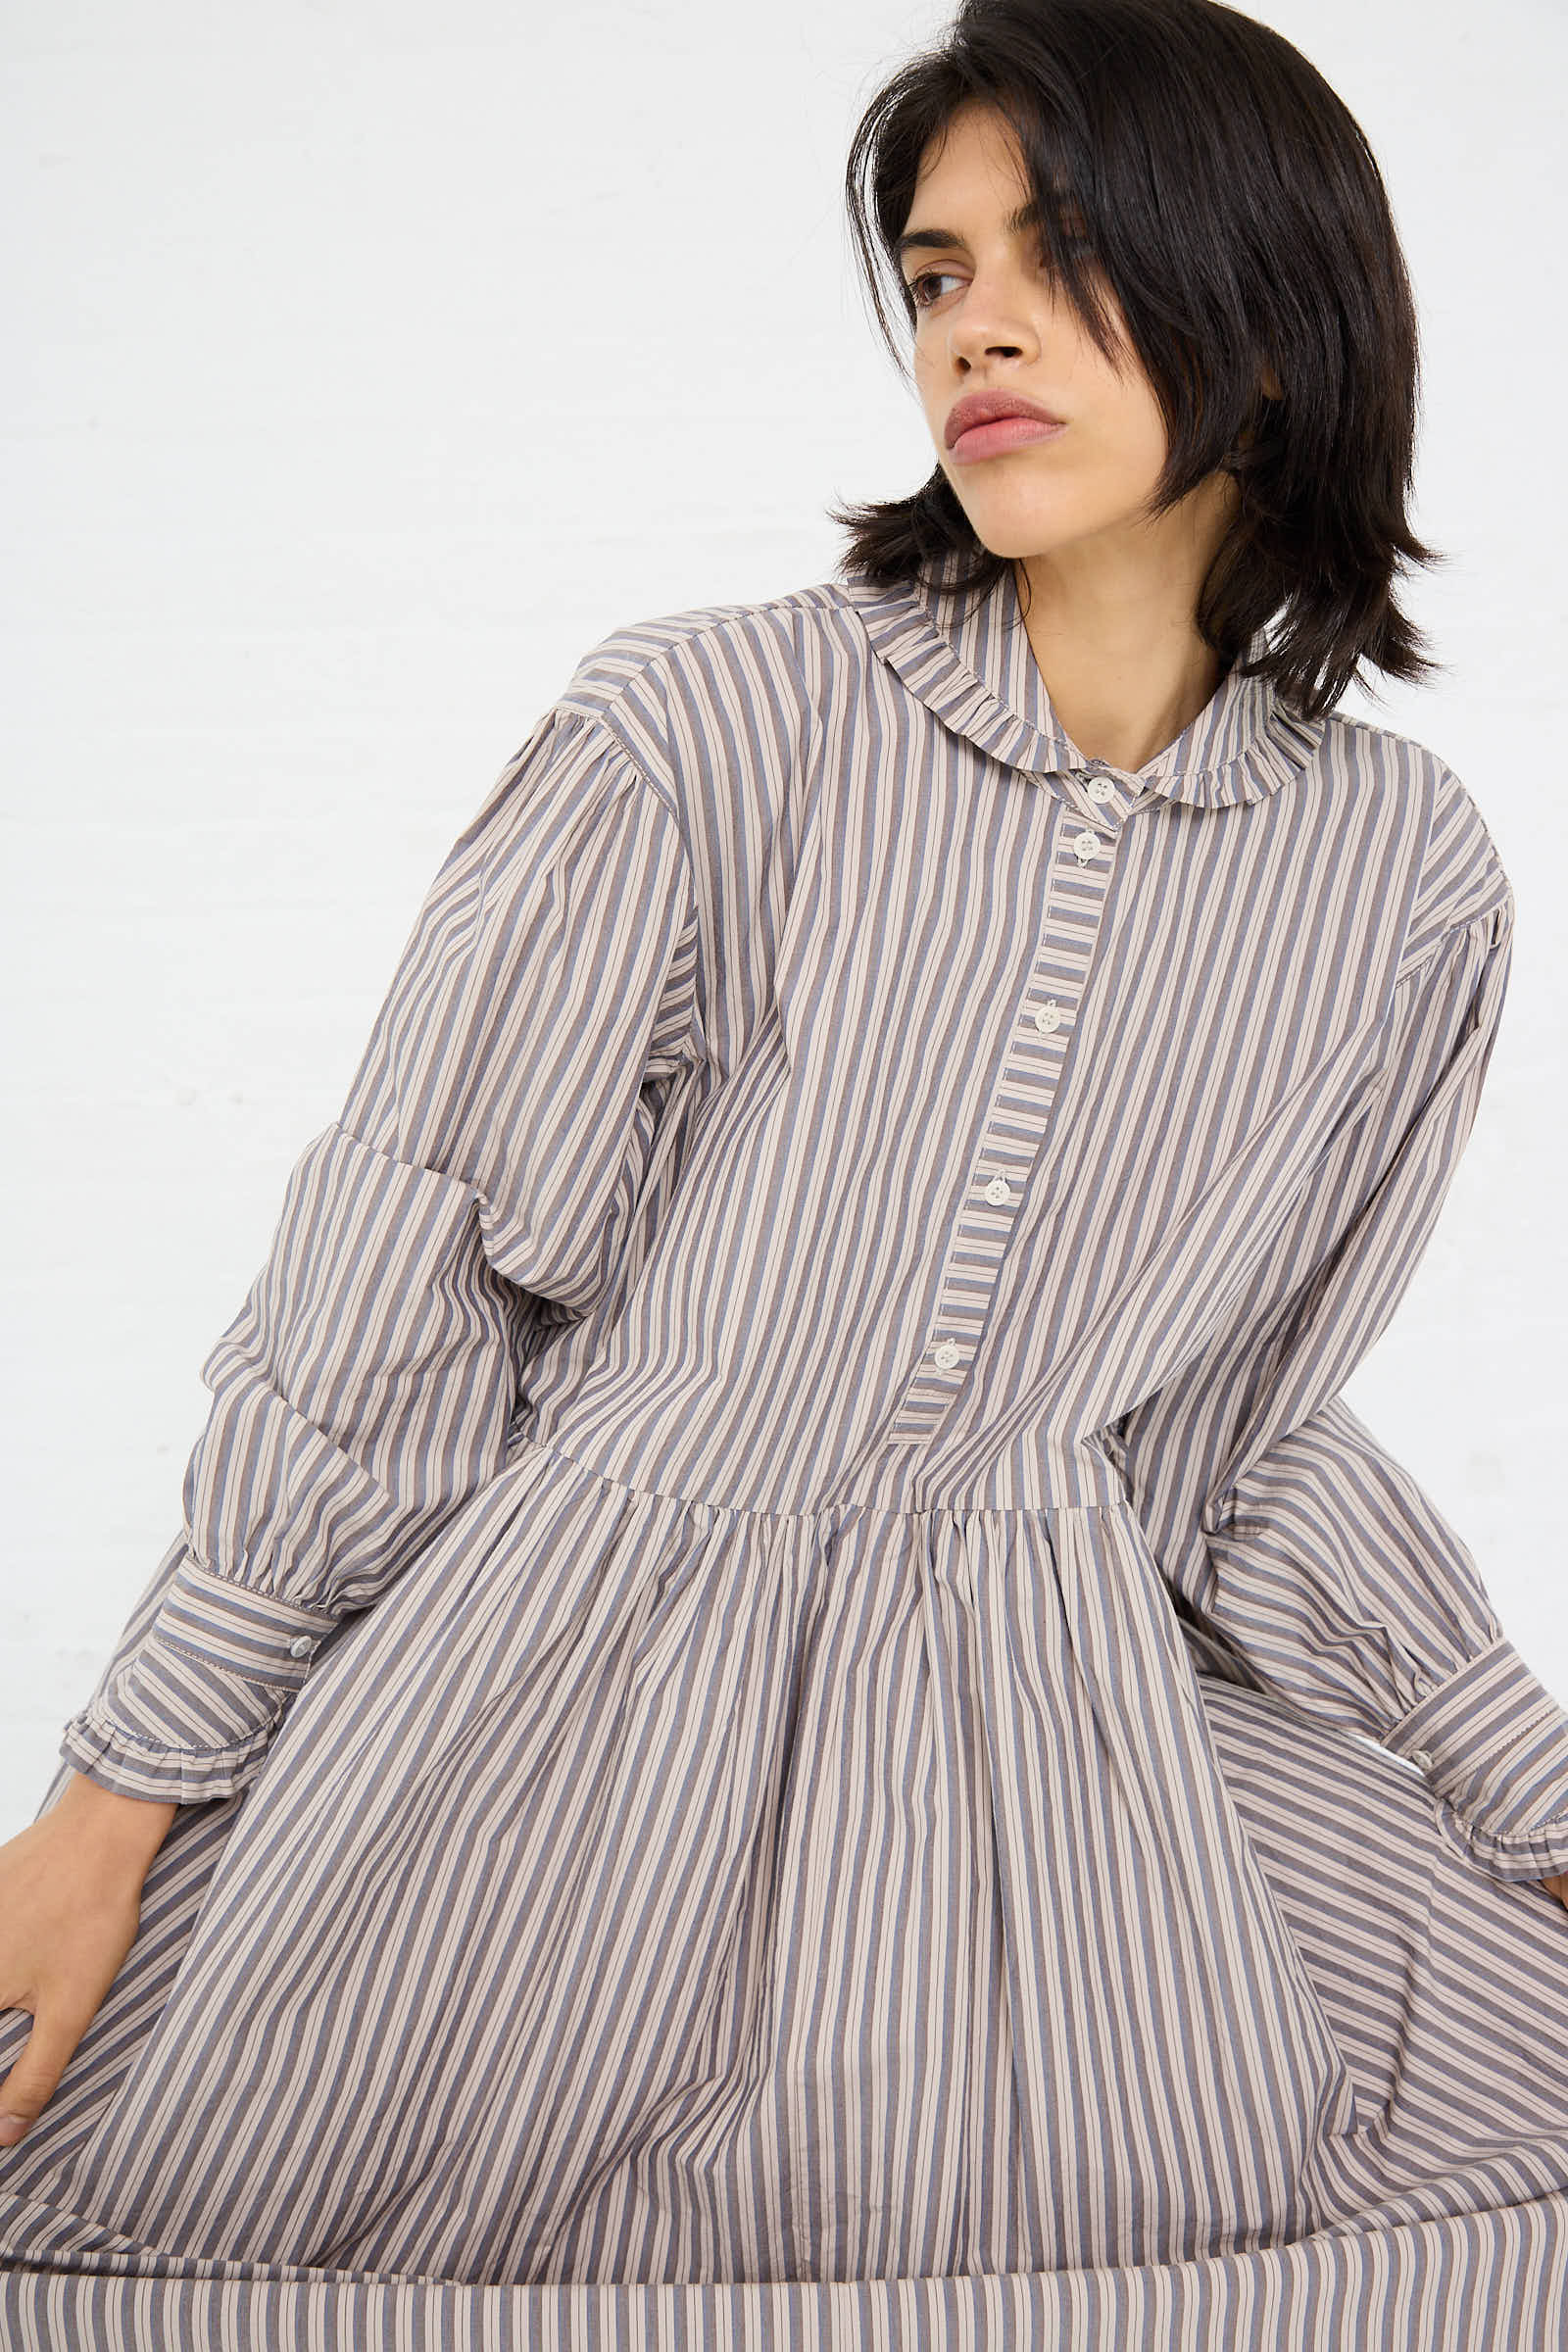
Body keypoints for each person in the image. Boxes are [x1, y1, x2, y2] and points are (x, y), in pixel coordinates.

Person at [4, 1, 1567, 2344]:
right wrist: (116, 1800)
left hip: (1042, 1769)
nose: (980, 327)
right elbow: (409, 1281)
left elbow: (1224, 1442)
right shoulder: (699, 731)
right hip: (558, 1703)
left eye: (1060, 251)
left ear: (1272, 319)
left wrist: (1516, 1788)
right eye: (934, 272)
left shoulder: (1400, 878)